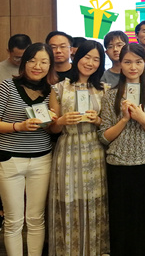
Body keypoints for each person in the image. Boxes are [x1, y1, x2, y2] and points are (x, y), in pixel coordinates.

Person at [0, 42, 56, 256]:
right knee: (13, 220)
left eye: (44, 62)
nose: (38, 66)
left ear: (50, 65)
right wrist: (19, 126)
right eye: (32, 61)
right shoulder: (7, 86)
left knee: (36, 218)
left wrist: (54, 120)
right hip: (10, 160)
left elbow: (53, 129)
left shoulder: (51, 91)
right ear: (24, 63)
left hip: (42, 159)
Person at [99, 43, 145, 256]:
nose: (133, 67)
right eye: (127, 62)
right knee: (123, 219)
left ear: (144, 62)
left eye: (138, 62)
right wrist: (124, 119)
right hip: (119, 164)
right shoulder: (110, 96)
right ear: (120, 63)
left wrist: (143, 120)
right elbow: (104, 137)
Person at [47, 40, 110, 255]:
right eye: (86, 57)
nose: (90, 63)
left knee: (95, 200)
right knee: (69, 199)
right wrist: (61, 121)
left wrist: (98, 120)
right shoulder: (59, 88)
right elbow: (52, 128)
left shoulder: (104, 89)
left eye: (96, 59)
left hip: (95, 149)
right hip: (68, 148)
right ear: (76, 57)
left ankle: (95, 249)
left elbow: (109, 126)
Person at [0, 33, 32, 234]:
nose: (20, 61)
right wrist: (9, 95)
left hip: (32, 135)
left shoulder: (35, 68)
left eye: (24, 57)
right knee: (1, 176)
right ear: (8, 52)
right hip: (5, 133)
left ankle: (28, 215)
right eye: (16, 57)